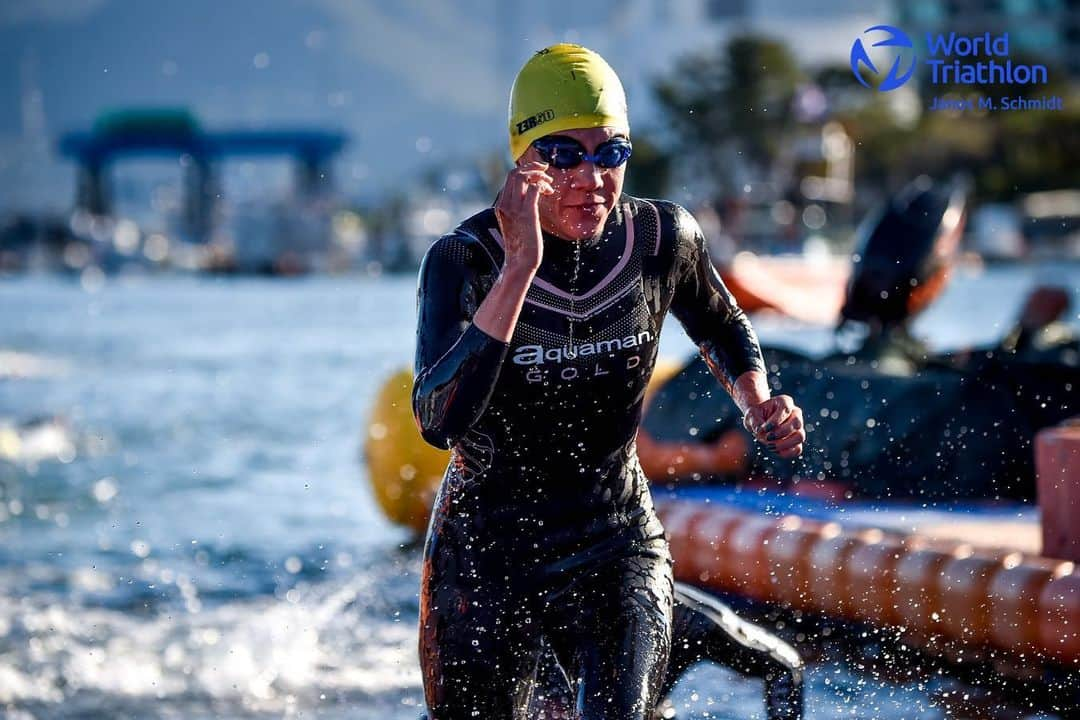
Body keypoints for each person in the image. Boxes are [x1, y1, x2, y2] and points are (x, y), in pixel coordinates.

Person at [412, 44, 806, 719]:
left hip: (614, 535)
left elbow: (719, 322)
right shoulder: (465, 259)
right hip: (485, 554)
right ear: (523, 163)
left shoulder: (659, 237)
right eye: (562, 154)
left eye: (609, 153)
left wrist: (757, 399)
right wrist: (519, 268)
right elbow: (437, 420)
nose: (590, 177)